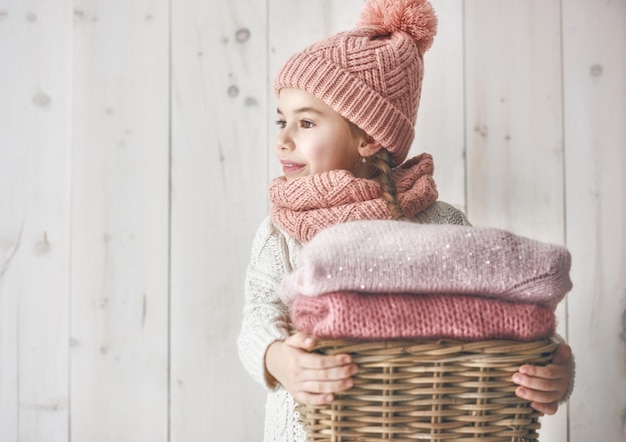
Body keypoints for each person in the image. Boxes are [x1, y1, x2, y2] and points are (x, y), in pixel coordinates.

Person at [237, 0, 574, 440]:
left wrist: (556, 369)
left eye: (305, 123)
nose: (282, 140)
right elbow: (257, 317)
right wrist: (279, 357)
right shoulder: (281, 230)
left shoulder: (439, 222)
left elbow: (504, 312)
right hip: (310, 427)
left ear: (369, 137)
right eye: (281, 120)